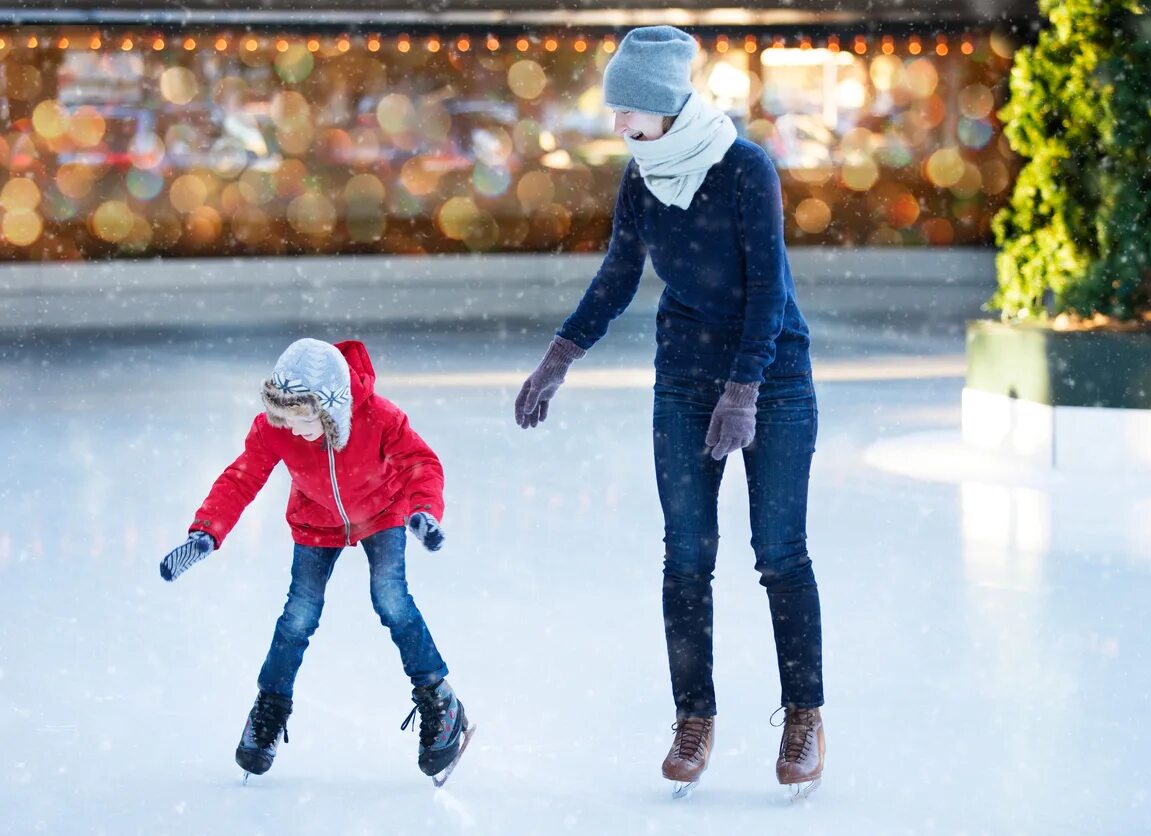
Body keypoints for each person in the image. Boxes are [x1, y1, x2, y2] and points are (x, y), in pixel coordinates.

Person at [514, 25, 824, 798]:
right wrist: (562, 355)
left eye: (626, 112)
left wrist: (746, 390)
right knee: (686, 554)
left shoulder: (746, 168)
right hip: (684, 377)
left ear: (660, 104)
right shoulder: (642, 177)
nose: (617, 125)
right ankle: (694, 718)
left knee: (779, 552)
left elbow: (769, 289)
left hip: (774, 375)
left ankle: (804, 714)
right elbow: (620, 274)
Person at [159, 338, 473, 786]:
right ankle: (269, 709)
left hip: (383, 512)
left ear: (333, 408)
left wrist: (424, 512)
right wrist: (207, 530)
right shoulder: (276, 428)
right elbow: (242, 476)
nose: (294, 431)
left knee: (391, 600)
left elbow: (422, 463)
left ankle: (441, 701)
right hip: (315, 520)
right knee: (298, 615)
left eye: (304, 422)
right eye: (284, 419)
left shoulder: (379, 417)